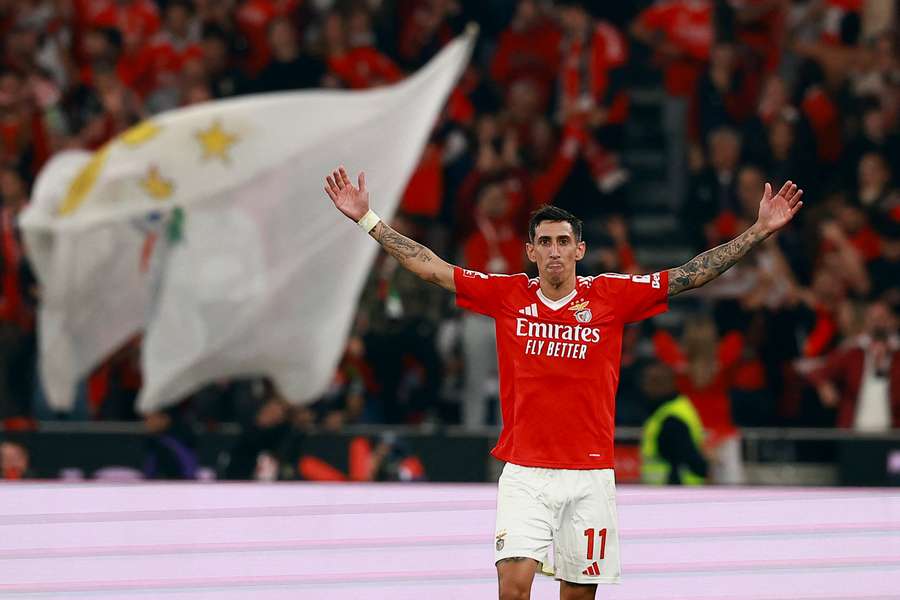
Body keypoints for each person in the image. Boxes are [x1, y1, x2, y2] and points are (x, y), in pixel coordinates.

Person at [324, 166, 803, 599]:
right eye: (545, 242)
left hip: (590, 474)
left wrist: (758, 231)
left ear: (580, 249)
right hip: (525, 472)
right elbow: (430, 267)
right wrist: (368, 221)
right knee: (513, 587)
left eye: (563, 242)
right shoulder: (509, 294)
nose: (554, 251)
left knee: (577, 598)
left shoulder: (611, 296)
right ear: (530, 250)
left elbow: (686, 277)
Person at [639, 362, 708, 485]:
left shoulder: (672, 418)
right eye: (646, 381)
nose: (647, 386)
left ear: (669, 384)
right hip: (670, 490)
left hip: (674, 490)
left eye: (654, 382)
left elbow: (681, 459)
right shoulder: (668, 409)